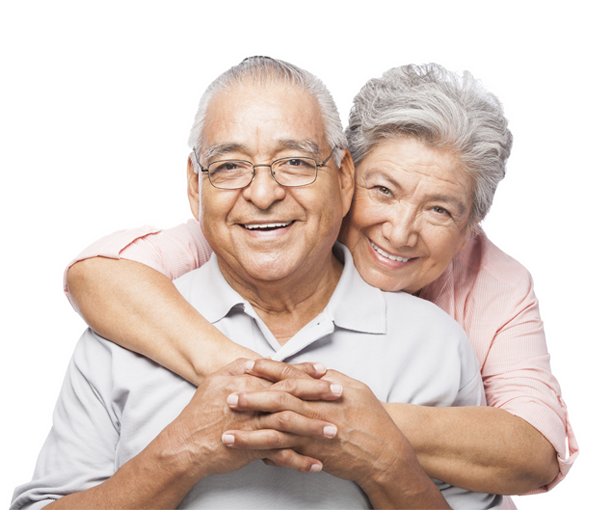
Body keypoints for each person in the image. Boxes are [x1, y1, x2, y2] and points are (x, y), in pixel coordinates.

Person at [59, 56, 579, 508]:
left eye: (440, 209)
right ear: (347, 178)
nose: (399, 232)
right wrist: (248, 387)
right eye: (384, 190)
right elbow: (97, 275)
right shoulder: (239, 229)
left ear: (471, 228)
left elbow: (534, 452)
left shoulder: (482, 298)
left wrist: (355, 427)